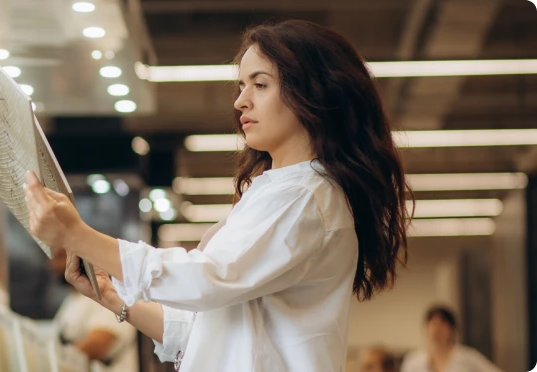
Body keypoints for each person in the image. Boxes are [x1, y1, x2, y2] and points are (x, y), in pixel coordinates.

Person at [22, 19, 414, 371]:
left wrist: (81, 237)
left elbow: (208, 280)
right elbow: (210, 330)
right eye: (242, 86)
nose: (240, 101)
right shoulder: (282, 191)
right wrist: (113, 299)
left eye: (260, 84)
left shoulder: (307, 197)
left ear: (313, 93)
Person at [47, 246, 139, 372]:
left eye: (60, 258)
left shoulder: (108, 296)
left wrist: (52, 361)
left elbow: (98, 344)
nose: (53, 265)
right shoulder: (73, 299)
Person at [400, 305, 502, 372]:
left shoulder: (468, 357)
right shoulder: (414, 361)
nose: (437, 329)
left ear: (452, 329)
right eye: (433, 324)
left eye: (442, 324)